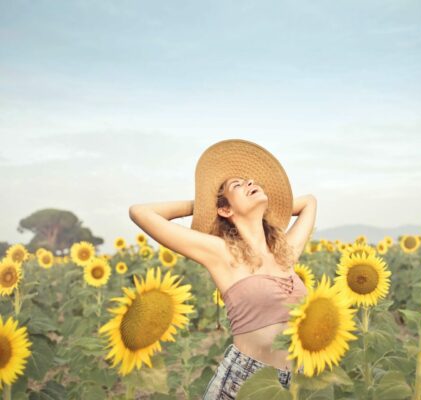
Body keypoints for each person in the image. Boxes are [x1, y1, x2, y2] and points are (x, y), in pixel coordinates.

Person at [129, 139, 317, 399]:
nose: (250, 183)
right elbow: (141, 212)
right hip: (243, 381)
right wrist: (203, 206)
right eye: (238, 185)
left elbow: (309, 202)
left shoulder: (284, 252)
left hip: (292, 383)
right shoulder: (220, 252)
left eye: (252, 182)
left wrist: (269, 204)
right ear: (225, 208)